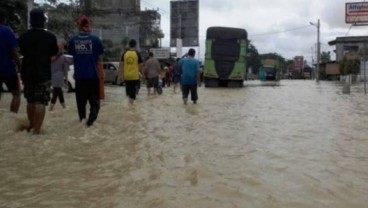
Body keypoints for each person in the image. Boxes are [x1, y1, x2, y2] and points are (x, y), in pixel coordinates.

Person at [19, 8, 58, 134]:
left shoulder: (24, 36)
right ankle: (36, 131)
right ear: (44, 21)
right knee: (40, 102)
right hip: (43, 73)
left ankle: (31, 125)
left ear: (30, 21)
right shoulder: (50, 37)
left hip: (27, 73)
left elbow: (22, 52)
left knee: (30, 101)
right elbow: (54, 53)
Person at [68, 15, 104, 127]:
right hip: (93, 77)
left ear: (79, 26)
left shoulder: (72, 40)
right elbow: (99, 59)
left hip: (79, 78)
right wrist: (102, 75)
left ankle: (82, 124)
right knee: (95, 104)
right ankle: (90, 124)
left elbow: (73, 55)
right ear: (88, 25)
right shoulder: (96, 40)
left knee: (81, 105)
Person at [0, 9, 22, 113]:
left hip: (6, 68)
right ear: (4, 19)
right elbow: (14, 51)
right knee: (16, 93)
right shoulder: (6, 31)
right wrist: (20, 65)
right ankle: (12, 118)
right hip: (7, 68)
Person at [119, 39, 143, 104]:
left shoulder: (124, 53)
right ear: (135, 45)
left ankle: (129, 108)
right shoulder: (137, 53)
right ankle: (131, 108)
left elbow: (121, 65)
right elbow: (141, 65)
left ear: (129, 45)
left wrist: (121, 75)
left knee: (129, 93)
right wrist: (141, 73)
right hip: (134, 76)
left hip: (126, 76)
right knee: (133, 94)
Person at [49, 43, 69, 111]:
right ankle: (50, 108)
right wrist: (66, 79)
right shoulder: (63, 58)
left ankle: (64, 106)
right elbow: (65, 70)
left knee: (59, 92)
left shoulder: (50, 58)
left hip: (52, 77)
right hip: (60, 77)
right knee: (56, 92)